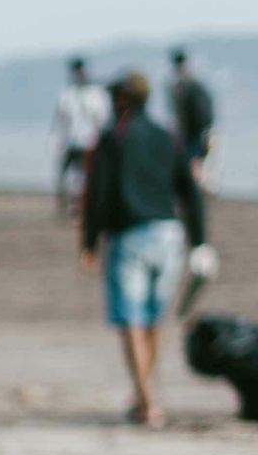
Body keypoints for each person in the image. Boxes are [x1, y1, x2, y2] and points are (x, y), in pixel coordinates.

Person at [79, 69, 207, 429]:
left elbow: (97, 194)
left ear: (123, 99)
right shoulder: (170, 136)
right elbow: (191, 192)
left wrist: (89, 242)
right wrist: (199, 240)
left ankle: (147, 401)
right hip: (169, 236)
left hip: (129, 237)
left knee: (131, 321)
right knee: (153, 321)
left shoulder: (112, 140)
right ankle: (143, 395)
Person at [47, 57, 109, 219]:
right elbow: (61, 120)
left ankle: (82, 207)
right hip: (71, 142)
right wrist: (56, 141)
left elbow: (101, 120)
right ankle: (64, 207)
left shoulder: (95, 94)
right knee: (65, 177)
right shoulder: (67, 95)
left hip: (88, 142)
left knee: (84, 178)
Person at [168, 48, 216, 169]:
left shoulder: (187, 86)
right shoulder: (189, 85)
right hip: (191, 135)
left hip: (193, 135)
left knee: (193, 167)